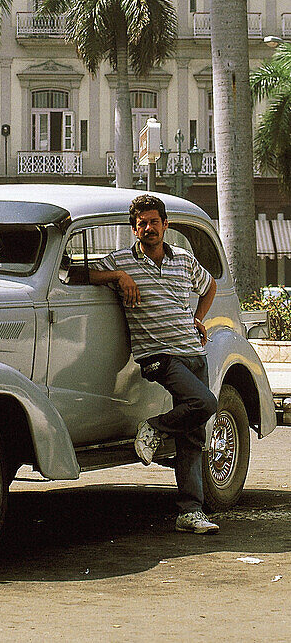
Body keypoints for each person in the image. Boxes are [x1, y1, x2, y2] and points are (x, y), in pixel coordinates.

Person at [89, 193, 219, 535]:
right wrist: (119, 276)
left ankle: (190, 512)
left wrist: (197, 318)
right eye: (141, 223)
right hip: (158, 354)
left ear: (165, 225)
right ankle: (155, 426)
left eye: (154, 222)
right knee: (205, 403)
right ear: (134, 229)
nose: (148, 228)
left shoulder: (184, 260)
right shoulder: (121, 261)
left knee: (193, 435)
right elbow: (80, 273)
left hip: (192, 351)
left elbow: (210, 286)